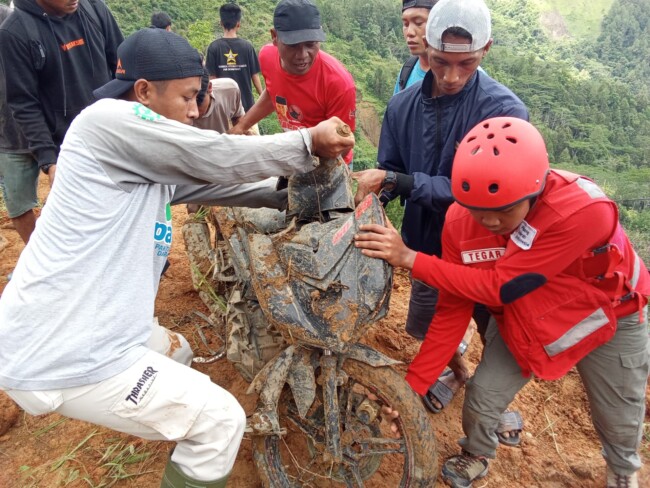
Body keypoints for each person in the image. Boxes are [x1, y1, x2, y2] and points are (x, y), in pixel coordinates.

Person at [0, 28, 353, 488]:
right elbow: (213, 156)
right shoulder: (105, 121)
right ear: (144, 91)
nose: (193, 112)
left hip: (96, 323)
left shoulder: (142, 160)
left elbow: (220, 187)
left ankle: (166, 417)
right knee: (222, 421)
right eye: (188, 98)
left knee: (178, 349)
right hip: (63, 351)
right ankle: (186, 434)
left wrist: (295, 195)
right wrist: (306, 143)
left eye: (200, 100)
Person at [355, 117, 649, 488]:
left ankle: (622, 471)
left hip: (609, 315)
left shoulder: (582, 212)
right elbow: (452, 310)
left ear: (536, 191)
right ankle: (477, 453)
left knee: (618, 412)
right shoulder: (461, 223)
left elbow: (502, 286)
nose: (489, 221)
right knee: (482, 397)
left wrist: (412, 258)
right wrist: (412, 388)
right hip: (526, 317)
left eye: (504, 210)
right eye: (475, 208)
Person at [352, 0, 528, 439]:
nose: (450, 76)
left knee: (499, 330)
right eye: (439, 62)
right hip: (425, 244)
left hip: (488, 248)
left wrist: (400, 181)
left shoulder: (504, 112)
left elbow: (478, 196)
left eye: (465, 64)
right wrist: (373, 194)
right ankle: (458, 371)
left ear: (485, 49)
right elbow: (390, 171)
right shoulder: (401, 108)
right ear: (424, 49)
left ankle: (492, 398)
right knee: (430, 323)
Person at [0, 0, 123, 187]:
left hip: (113, 137)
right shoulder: (15, 32)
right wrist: (49, 160)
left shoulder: (94, 9)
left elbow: (122, 68)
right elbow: (24, 103)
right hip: (69, 150)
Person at [229, 0, 356, 166]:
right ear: (275, 37)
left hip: (330, 164)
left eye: (311, 44)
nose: (302, 55)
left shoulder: (339, 84)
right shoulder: (267, 57)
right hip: (294, 154)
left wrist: (283, 150)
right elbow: (273, 92)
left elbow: (343, 144)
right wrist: (241, 127)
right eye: (293, 45)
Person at [0, 4, 38, 249]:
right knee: (18, 204)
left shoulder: (11, 19)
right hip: (8, 137)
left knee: (73, 197)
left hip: (45, 128)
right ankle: (41, 258)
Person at [205, 3, 263, 113]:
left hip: (222, 107)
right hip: (247, 108)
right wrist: (261, 98)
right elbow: (255, 76)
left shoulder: (213, 47)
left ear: (221, 23)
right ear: (238, 24)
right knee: (249, 131)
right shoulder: (248, 47)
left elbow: (212, 79)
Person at [394, 0, 437, 95]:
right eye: (406, 24)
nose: (409, 32)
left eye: (418, 23)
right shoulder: (406, 71)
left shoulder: (461, 78)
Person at [195, 70, 246, 134]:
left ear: (209, 87)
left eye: (198, 103)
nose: (194, 112)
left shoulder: (229, 90)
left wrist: (241, 131)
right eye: (186, 100)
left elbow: (238, 117)